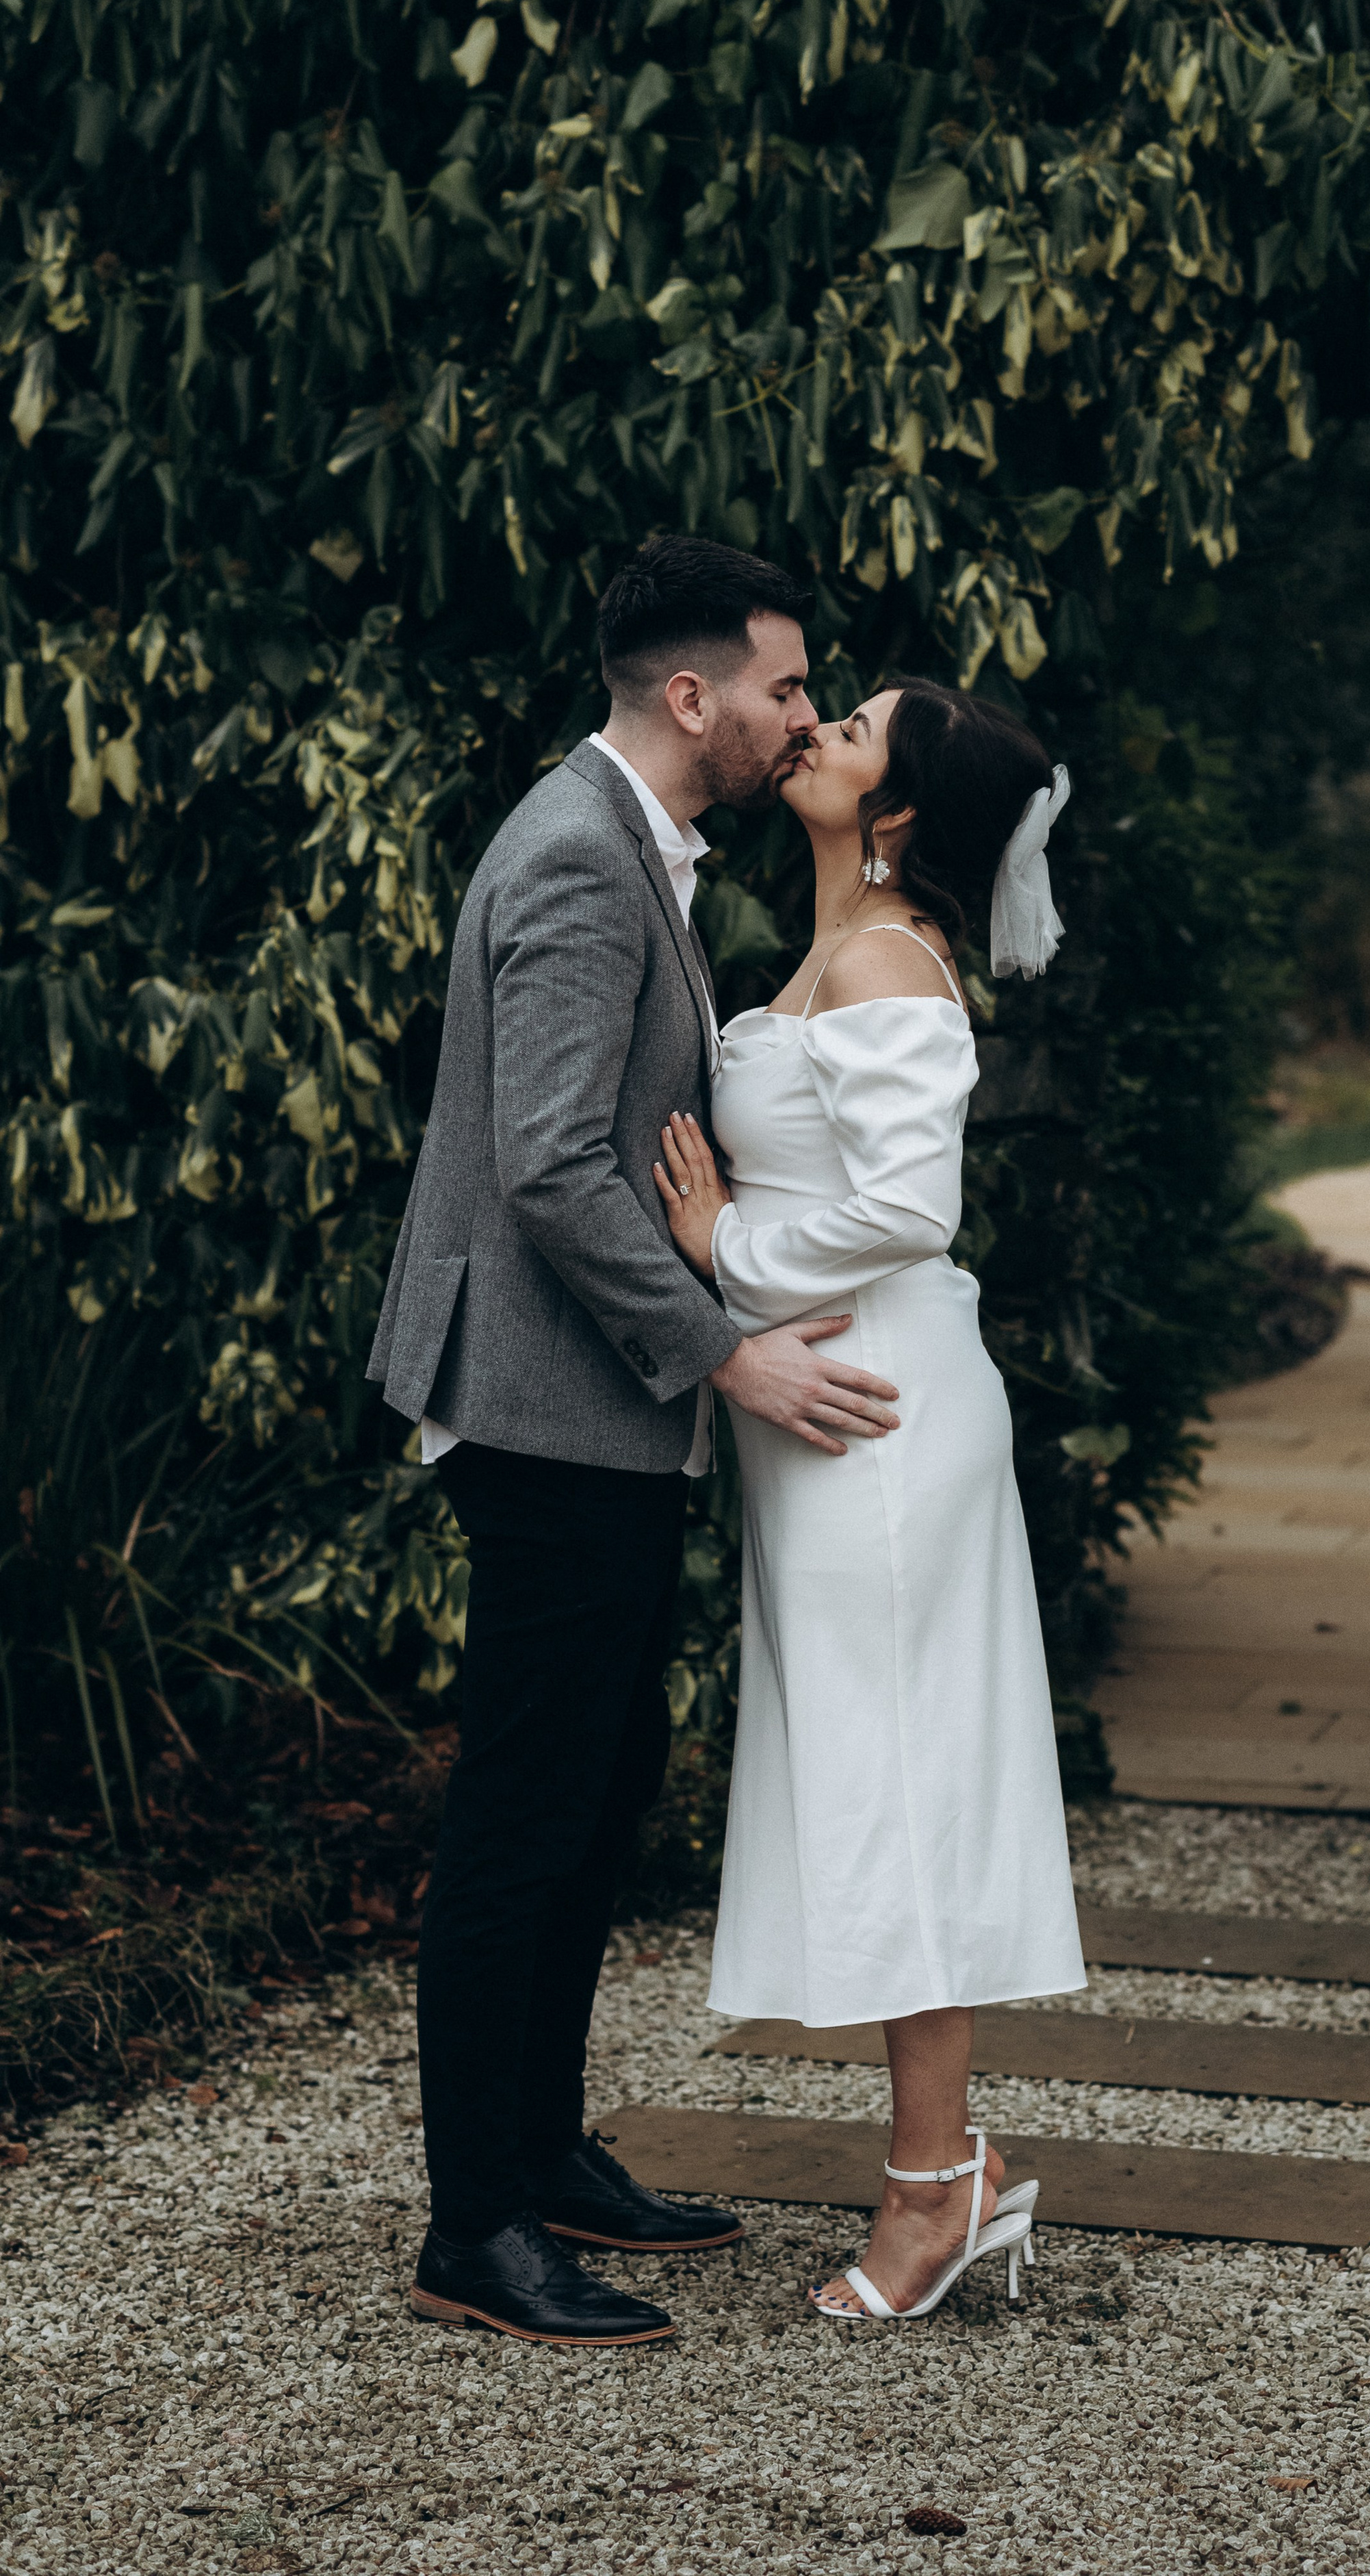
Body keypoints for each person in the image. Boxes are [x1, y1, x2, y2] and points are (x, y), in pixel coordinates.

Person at [365, 536, 905, 2349]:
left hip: (589, 1401)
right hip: (547, 1403)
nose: (802, 716)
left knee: (595, 1788)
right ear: (693, 697)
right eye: (782, 687)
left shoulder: (624, 844)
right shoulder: (581, 860)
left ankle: (537, 2155)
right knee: (529, 1807)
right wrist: (730, 1355)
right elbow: (545, 1168)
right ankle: (473, 2230)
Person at [654, 678, 1085, 2323]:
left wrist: (724, 1262)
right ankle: (946, 2168)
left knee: (902, 1780)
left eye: (854, 732)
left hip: (876, 1411)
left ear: (894, 816)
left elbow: (910, 1207)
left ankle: (930, 2191)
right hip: (834, 1411)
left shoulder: (890, 961)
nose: (816, 730)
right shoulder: (838, 945)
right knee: (877, 1767)